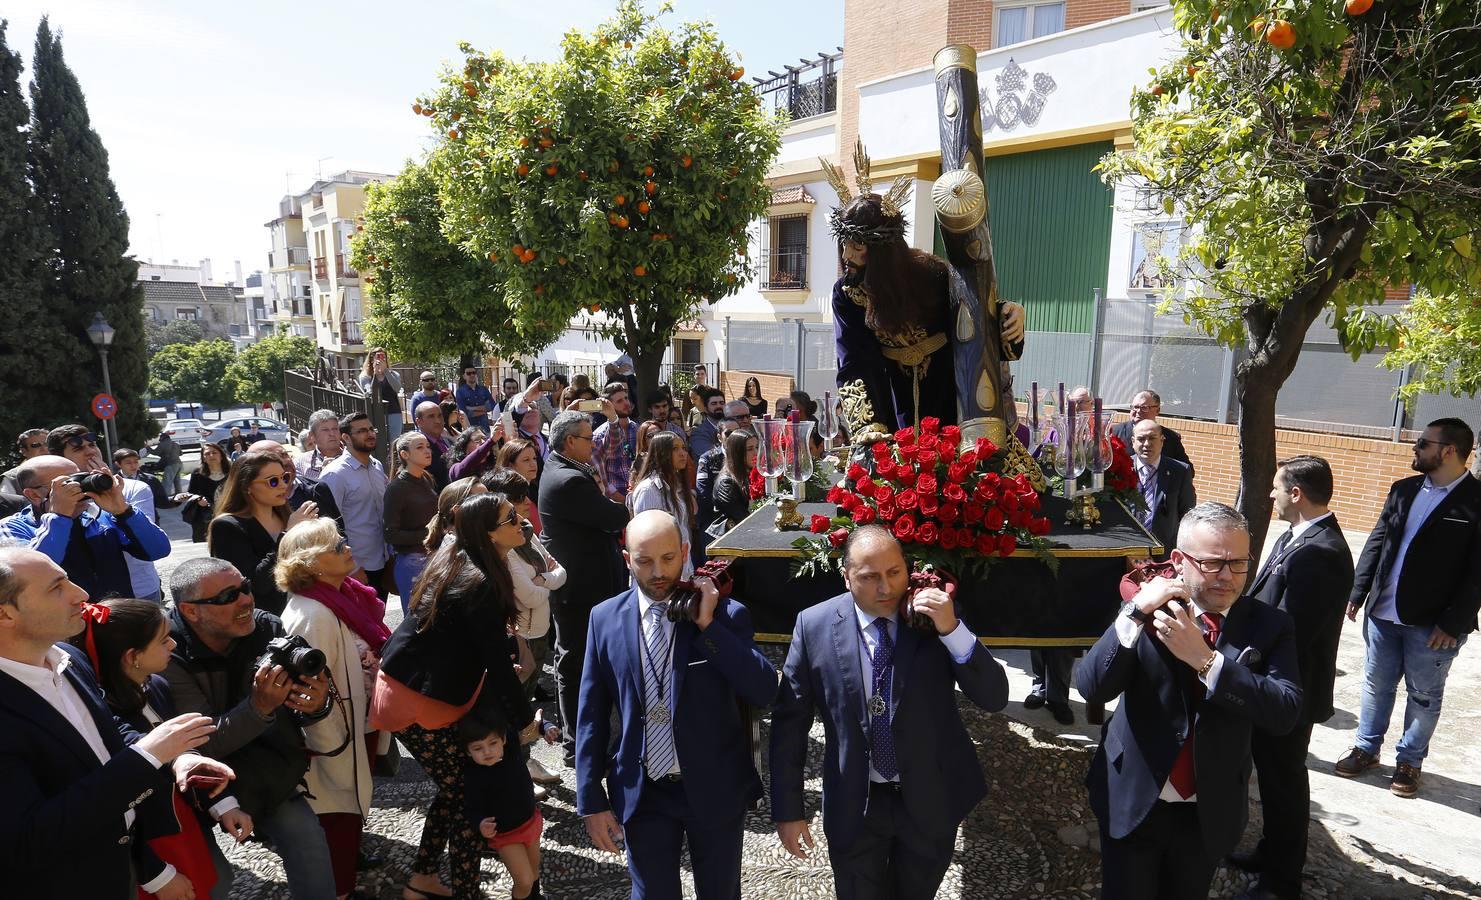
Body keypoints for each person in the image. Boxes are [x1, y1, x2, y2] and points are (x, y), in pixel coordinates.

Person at [770, 525, 1010, 899]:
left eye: (894, 573)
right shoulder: (814, 626)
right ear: (846, 577)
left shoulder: (934, 618)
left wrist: (952, 630)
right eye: (870, 578)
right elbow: (790, 725)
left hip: (929, 800)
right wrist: (788, 810)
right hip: (855, 804)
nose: (885, 588)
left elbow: (994, 697)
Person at [1077, 502, 1303, 899]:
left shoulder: (1270, 626)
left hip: (1209, 809)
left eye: (1238, 563)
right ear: (1179, 560)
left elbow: (1284, 712)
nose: (1228, 577)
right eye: (1213, 563)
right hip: (1133, 796)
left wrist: (1207, 661)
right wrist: (1133, 613)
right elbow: (1093, 687)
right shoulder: (1149, 611)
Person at [0, 547, 235, 900]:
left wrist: (174, 757)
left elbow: (103, 736)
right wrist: (146, 756)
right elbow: (27, 839)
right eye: (56, 587)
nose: (80, 594)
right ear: (5, 614)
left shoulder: (70, 659)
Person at [577, 510, 776, 899]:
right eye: (644, 560)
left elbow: (764, 690)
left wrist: (708, 628)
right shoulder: (604, 619)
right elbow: (591, 715)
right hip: (642, 790)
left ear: (685, 551)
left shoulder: (725, 615)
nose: (658, 572)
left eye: (669, 558)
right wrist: (590, 799)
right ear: (626, 559)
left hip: (714, 788)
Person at [372, 492, 535, 900]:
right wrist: (523, 718)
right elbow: (495, 659)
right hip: (418, 700)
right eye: (510, 518)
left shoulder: (462, 553)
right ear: (487, 533)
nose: (522, 522)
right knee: (468, 799)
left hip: (420, 688)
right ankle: (465, 891)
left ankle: (422, 878)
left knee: (454, 790)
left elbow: (474, 648)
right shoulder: (476, 579)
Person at [164, 556, 338, 900]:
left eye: (245, 588)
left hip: (265, 768)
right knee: (212, 880)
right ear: (190, 610)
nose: (245, 600)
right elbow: (203, 746)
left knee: (308, 840)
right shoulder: (166, 651)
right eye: (227, 597)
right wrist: (259, 707)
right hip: (187, 782)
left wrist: (317, 703)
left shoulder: (267, 629)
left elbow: (305, 709)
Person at [1228, 457, 1354, 900]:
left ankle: (1282, 882)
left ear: (1296, 493)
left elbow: (1294, 632)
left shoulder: (1321, 552)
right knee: (1275, 777)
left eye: (1277, 488)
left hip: (1289, 690)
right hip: (1278, 685)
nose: (1270, 495)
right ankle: (1271, 852)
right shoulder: (1302, 537)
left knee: (1283, 783)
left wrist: (1248, 677)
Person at [827, 153, 1025, 432]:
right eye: (844, 244)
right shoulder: (847, 293)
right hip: (892, 398)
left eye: (858, 247)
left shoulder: (935, 274)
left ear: (884, 251)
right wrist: (869, 427)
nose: (847, 255)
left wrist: (1007, 313)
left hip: (950, 392)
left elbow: (972, 317)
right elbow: (854, 361)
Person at [1339, 417, 1481, 798]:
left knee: (1424, 694)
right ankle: (1366, 749)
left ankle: (1409, 761)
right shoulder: (1403, 489)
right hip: (1382, 614)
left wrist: (1452, 623)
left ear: (1448, 450)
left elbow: (1477, 573)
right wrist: (1357, 591)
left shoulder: (1476, 501)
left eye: (1422, 444)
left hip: (1434, 625)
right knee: (1376, 685)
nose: (1415, 449)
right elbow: (1378, 539)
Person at [70, 596, 248, 900]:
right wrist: (154, 874)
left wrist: (223, 803)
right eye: (164, 640)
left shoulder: (158, 686)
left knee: (215, 880)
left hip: (181, 820)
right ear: (133, 656)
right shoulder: (104, 712)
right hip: (150, 835)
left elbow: (185, 755)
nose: (174, 646)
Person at [277, 519, 390, 900]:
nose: (345, 545)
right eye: (334, 543)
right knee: (336, 818)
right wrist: (331, 746)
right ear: (311, 562)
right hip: (336, 739)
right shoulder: (314, 613)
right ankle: (338, 891)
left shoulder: (346, 596)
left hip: (361, 725)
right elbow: (307, 691)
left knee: (350, 812)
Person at [539, 410, 631, 766]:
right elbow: (613, 517)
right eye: (586, 437)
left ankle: (584, 736)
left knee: (578, 659)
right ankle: (576, 744)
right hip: (580, 586)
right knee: (574, 662)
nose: (593, 443)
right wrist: (621, 505)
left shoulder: (562, 468)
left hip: (586, 580)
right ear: (568, 442)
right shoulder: (568, 479)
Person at [1, 452, 171, 602]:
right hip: (63, 631)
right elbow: (30, 576)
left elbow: (158, 550)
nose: (80, 487)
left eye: (82, 478)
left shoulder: (101, 517)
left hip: (117, 624)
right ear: (33, 495)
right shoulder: (12, 527)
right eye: (67, 483)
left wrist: (123, 511)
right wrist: (59, 518)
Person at [494, 467, 565, 764]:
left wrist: (543, 578)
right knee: (517, 708)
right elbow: (529, 595)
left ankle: (524, 762)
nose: (527, 505)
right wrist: (546, 578)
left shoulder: (527, 532)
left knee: (526, 706)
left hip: (540, 632)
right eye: (519, 500)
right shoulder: (507, 549)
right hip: (522, 635)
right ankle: (518, 765)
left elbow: (561, 573)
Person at [209, 451, 318, 616]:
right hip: (266, 620)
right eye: (273, 481)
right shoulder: (227, 526)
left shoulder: (287, 515)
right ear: (247, 487)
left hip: (305, 610)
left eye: (285, 477)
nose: (283, 485)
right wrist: (288, 534)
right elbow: (257, 583)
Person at [460, 707, 554, 900]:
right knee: (524, 880)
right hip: (505, 834)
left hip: (530, 822)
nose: (487, 751)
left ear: (503, 739)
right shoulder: (473, 776)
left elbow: (531, 727)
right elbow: (471, 807)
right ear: (468, 751)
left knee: (534, 872)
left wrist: (545, 726)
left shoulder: (511, 747)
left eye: (492, 743)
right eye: (478, 748)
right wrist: (480, 824)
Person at [315, 412, 390, 598]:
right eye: (362, 431)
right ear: (346, 437)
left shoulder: (377, 466)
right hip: (356, 568)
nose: (370, 434)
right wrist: (352, 568)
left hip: (382, 561)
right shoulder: (335, 474)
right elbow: (329, 527)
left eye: (372, 429)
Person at [626, 432, 696, 579]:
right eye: (675, 449)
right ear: (661, 453)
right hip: (659, 576)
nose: (682, 453)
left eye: (683, 448)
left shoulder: (675, 485)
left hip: (681, 568)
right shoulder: (649, 489)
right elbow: (647, 540)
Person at [384, 432, 439, 613]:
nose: (427, 451)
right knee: (418, 618)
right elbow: (390, 534)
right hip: (411, 563)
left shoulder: (426, 479)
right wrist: (430, 533)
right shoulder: (396, 488)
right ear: (404, 454)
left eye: (427, 446)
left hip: (433, 557)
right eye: (420, 447)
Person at [1131, 419, 1195, 558]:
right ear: (1133, 442)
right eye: (1141, 439)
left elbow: (1187, 514)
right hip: (1127, 550)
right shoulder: (1119, 468)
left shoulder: (1179, 471)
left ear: (1162, 440)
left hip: (1163, 553)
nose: (1146, 444)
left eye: (1152, 438)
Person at [1112, 389, 1194, 476]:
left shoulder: (1171, 437)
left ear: (1157, 410)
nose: (1138, 411)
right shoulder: (1114, 433)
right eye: (1135, 407)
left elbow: (1188, 471)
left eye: (1144, 408)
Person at [696, 405, 750, 532]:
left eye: (736, 432)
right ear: (719, 437)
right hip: (715, 522)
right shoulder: (708, 459)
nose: (732, 437)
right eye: (728, 433)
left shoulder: (747, 456)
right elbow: (704, 495)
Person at [593, 383, 639, 501]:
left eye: (626, 398)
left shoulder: (637, 429)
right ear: (609, 407)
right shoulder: (600, 435)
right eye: (619, 401)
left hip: (639, 495)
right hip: (616, 501)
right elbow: (600, 476)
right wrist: (623, 501)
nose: (626, 403)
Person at [182, 441, 231, 543]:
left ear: (221, 455)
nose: (211, 455)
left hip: (228, 513)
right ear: (204, 458)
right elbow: (191, 493)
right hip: (204, 517)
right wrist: (199, 499)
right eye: (207, 454)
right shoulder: (197, 473)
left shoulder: (232, 471)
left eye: (214, 452)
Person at [711, 429, 757, 533]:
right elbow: (743, 518)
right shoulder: (726, 483)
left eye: (757, 447)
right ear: (737, 453)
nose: (756, 453)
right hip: (730, 540)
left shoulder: (748, 473)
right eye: (750, 449)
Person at [497, 438, 545, 533]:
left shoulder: (535, 487)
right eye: (526, 460)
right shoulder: (508, 497)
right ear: (511, 465)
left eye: (534, 459)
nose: (533, 464)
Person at [358, 348, 404, 443]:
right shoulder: (365, 376)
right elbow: (369, 391)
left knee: (394, 441)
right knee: (379, 442)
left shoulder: (394, 374)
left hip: (393, 412)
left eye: (383, 357)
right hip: (375, 413)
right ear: (371, 359)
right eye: (378, 357)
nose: (381, 360)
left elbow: (397, 388)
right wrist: (375, 374)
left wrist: (386, 371)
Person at [295, 410, 345, 486]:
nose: (332, 434)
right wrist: (323, 476)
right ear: (312, 436)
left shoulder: (355, 457)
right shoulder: (300, 463)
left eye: (335, 429)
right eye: (325, 430)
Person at [412, 401, 452, 490]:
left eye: (439, 415)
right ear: (419, 422)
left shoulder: (447, 440)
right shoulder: (416, 448)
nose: (437, 421)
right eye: (431, 416)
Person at [0, 427, 49, 493]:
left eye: (47, 444)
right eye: (36, 445)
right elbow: (6, 501)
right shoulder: (12, 479)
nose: (44, 449)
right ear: (24, 451)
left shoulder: (65, 470)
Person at [688, 387, 726, 459]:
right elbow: (712, 456)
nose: (718, 406)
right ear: (705, 408)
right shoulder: (698, 433)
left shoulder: (732, 427)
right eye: (714, 403)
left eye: (721, 403)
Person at [455, 365, 495, 431]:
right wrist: (483, 409)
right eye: (468, 373)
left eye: (474, 373)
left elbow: (492, 405)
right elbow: (464, 412)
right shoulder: (460, 392)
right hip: (470, 430)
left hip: (485, 428)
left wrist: (472, 408)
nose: (472, 375)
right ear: (464, 376)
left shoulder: (484, 389)